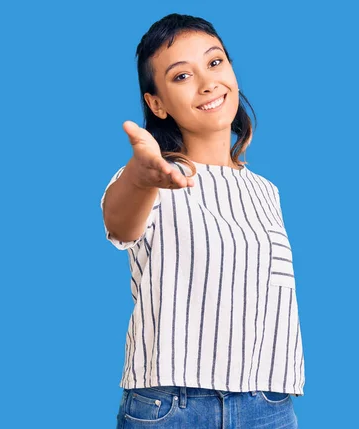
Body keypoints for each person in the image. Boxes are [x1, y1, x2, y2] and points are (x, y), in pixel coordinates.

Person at [100, 13, 305, 428]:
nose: (208, 82)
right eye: (181, 76)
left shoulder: (266, 191)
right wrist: (142, 178)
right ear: (156, 104)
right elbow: (119, 224)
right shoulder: (152, 174)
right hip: (171, 408)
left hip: (268, 405)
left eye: (214, 63)